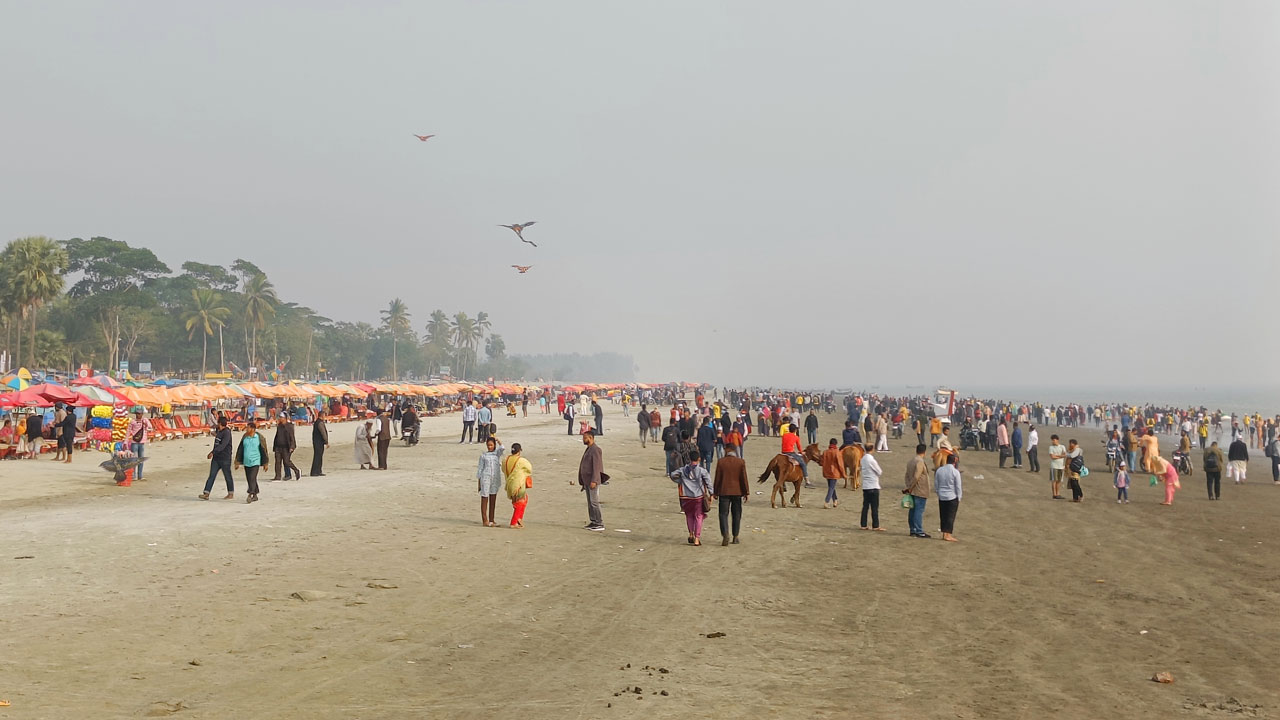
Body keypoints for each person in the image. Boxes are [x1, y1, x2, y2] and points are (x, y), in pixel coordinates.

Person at [670, 450, 713, 546]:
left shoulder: (683, 469)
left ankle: (691, 534)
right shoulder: (702, 470)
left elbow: (672, 475)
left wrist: (680, 481)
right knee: (699, 516)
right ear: (699, 459)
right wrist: (712, 494)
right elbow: (708, 482)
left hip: (686, 496)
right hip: (698, 497)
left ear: (689, 458)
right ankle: (697, 538)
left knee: (689, 515)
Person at [713, 446, 749, 546]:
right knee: (737, 514)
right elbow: (743, 478)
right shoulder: (740, 462)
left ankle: (725, 534)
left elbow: (718, 478)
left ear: (726, 450)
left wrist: (715, 492)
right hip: (737, 492)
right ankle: (735, 536)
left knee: (723, 514)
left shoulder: (721, 462)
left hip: (724, 491)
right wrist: (746, 492)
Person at [199, 416, 235, 500]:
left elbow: (223, 445)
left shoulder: (227, 432)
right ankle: (206, 493)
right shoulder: (219, 431)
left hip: (225, 458)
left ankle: (230, 493)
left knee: (227, 476)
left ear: (220, 423)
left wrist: (212, 452)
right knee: (212, 475)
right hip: (216, 458)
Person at [233, 422, 269, 504]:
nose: (246, 429)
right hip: (246, 462)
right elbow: (240, 450)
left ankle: (250, 494)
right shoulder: (245, 437)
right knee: (250, 479)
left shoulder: (259, 438)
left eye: (248, 428)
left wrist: (265, 463)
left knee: (252, 477)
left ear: (253, 429)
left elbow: (264, 451)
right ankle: (255, 494)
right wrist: (237, 462)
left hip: (256, 461)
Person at [578, 429, 605, 531]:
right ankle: (593, 521)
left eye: (585, 438)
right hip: (587, 481)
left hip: (593, 480)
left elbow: (597, 467)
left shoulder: (595, 450)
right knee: (590, 502)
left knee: (594, 502)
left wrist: (594, 480)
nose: (583, 440)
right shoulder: (589, 449)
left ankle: (599, 523)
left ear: (591, 438)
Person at [476, 435, 506, 527]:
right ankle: (485, 520)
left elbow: (502, 447)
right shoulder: (483, 455)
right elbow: (480, 469)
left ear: (494, 445)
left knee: (493, 497)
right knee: (485, 497)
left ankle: (492, 519)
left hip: (495, 478)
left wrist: (498, 440)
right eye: (488, 445)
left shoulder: (497, 454)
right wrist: (479, 482)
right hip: (485, 477)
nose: (489, 447)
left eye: (491, 445)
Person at [904, 443, 931, 538]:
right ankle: (919, 530)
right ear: (924, 452)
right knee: (918, 511)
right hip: (920, 490)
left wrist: (908, 486)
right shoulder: (920, 462)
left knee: (912, 510)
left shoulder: (911, 461)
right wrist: (911, 486)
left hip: (912, 490)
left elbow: (907, 475)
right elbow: (916, 476)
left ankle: (913, 529)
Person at [934, 453, 962, 542]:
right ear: (954, 461)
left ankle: (944, 533)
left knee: (943, 515)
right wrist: (959, 497)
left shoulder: (939, 470)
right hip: (952, 496)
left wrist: (938, 492)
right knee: (950, 516)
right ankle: (948, 534)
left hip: (942, 496)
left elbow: (936, 483)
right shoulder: (955, 472)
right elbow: (958, 486)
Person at [503, 442, 532, 528]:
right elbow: (529, 469)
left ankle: (519, 519)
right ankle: (514, 521)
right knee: (521, 501)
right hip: (518, 484)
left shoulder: (505, 460)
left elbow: (503, 469)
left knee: (519, 501)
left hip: (509, 484)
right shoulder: (521, 461)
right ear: (519, 451)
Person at [859, 444, 884, 531]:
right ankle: (875, 525)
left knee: (865, 506)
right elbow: (879, 471)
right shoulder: (871, 460)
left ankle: (863, 524)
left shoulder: (863, 459)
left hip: (866, 486)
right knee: (874, 507)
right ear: (872, 449)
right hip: (873, 485)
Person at [272, 413, 299, 481]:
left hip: (286, 447)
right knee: (277, 462)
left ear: (285, 418)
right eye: (280, 417)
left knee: (286, 461)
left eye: (281, 417)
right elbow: (277, 436)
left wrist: (292, 446)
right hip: (278, 447)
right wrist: (275, 446)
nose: (280, 418)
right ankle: (278, 476)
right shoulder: (279, 426)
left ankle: (296, 470)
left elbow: (292, 437)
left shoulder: (289, 426)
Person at [820, 439, 845, 509]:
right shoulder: (837, 452)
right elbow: (840, 464)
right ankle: (827, 502)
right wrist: (843, 474)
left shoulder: (825, 452)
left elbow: (821, 462)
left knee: (831, 487)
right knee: (831, 487)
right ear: (836, 444)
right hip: (834, 472)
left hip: (827, 471)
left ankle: (835, 500)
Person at [125, 409, 149, 478]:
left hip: (142, 442)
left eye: (140, 414)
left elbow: (150, 427)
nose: (139, 415)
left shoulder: (145, 420)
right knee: (134, 459)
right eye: (137, 414)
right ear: (136, 414)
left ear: (142, 414)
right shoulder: (132, 422)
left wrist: (146, 424)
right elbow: (128, 431)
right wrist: (126, 441)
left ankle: (140, 475)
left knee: (141, 459)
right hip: (134, 442)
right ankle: (133, 475)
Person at [1048, 434, 1066, 499]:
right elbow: (1052, 457)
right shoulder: (1051, 447)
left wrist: (1057, 456)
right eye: (1052, 440)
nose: (1053, 441)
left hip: (1061, 466)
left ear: (1057, 440)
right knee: (1054, 480)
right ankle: (1054, 494)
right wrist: (1060, 456)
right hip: (1054, 466)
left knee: (1059, 480)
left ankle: (1058, 493)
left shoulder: (1062, 446)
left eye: (1054, 440)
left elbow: (1065, 455)